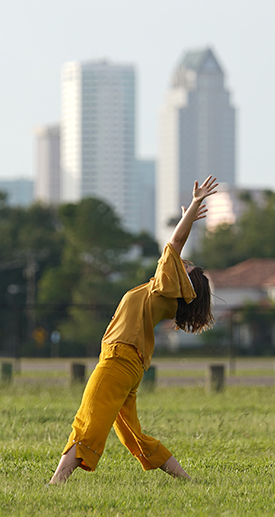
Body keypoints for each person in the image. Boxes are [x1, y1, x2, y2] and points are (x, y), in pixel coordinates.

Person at [49, 175, 219, 484]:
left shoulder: (166, 288)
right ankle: (188, 482)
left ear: (185, 283)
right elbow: (176, 248)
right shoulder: (163, 290)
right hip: (128, 363)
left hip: (119, 359)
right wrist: (187, 216)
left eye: (187, 267)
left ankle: (56, 481)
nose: (183, 262)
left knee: (88, 420)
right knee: (133, 436)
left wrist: (194, 206)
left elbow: (175, 244)